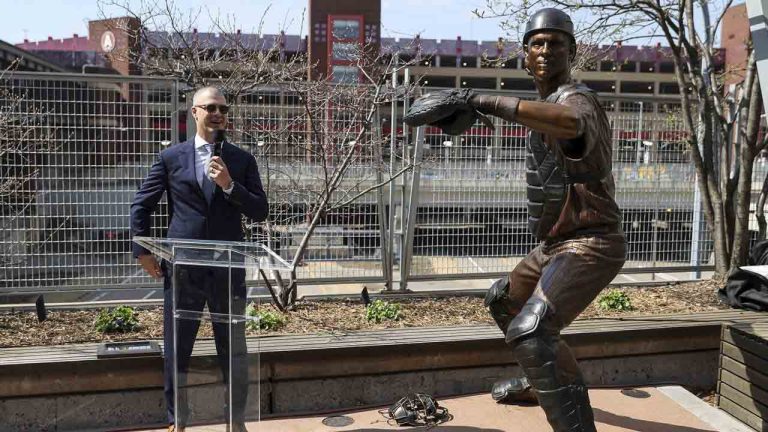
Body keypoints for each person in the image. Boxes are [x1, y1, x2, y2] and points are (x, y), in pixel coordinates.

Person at [405, 8, 626, 432]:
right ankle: (538, 381)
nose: (545, 50)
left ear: (571, 51)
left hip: (591, 241)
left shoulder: (577, 100)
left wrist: (478, 99)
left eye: (556, 43)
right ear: (525, 54)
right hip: (554, 244)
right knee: (504, 299)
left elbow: (571, 122)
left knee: (533, 329)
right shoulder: (543, 104)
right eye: (537, 44)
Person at [131, 86, 268, 432]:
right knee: (178, 347)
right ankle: (178, 420)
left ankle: (235, 420)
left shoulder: (241, 160)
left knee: (233, 348)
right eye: (211, 107)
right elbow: (141, 205)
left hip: (228, 268)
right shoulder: (171, 158)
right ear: (194, 112)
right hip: (184, 270)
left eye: (223, 107)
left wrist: (229, 186)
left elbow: (260, 210)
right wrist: (142, 252)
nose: (219, 113)